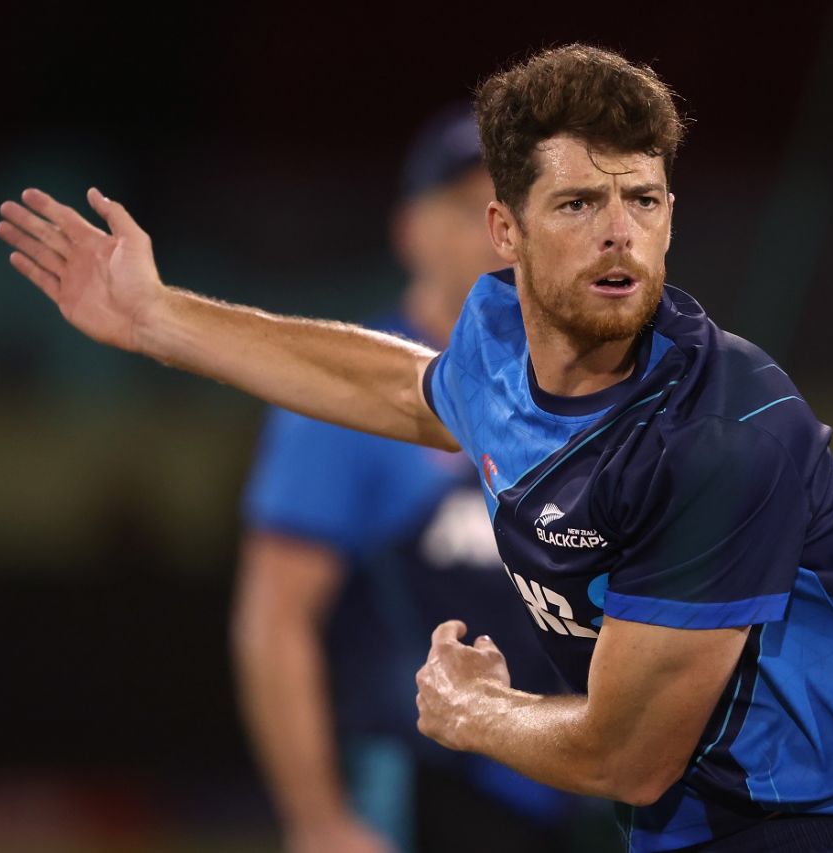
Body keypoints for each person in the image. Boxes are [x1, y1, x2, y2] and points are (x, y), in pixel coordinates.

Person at [0, 44, 833, 852]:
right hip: (704, 820)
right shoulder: (494, 350)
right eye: (577, 204)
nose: (619, 235)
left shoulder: (722, 437)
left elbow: (629, 755)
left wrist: (472, 711)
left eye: (641, 200)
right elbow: (392, 384)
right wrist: (158, 320)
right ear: (503, 232)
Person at [232, 103, 581, 853]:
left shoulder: (583, 388)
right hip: (416, 785)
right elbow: (275, 617)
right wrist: (318, 818)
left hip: (572, 785)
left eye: (518, 205)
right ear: (410, 231)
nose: (500, 231)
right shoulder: (344, 392)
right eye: (468, 208)